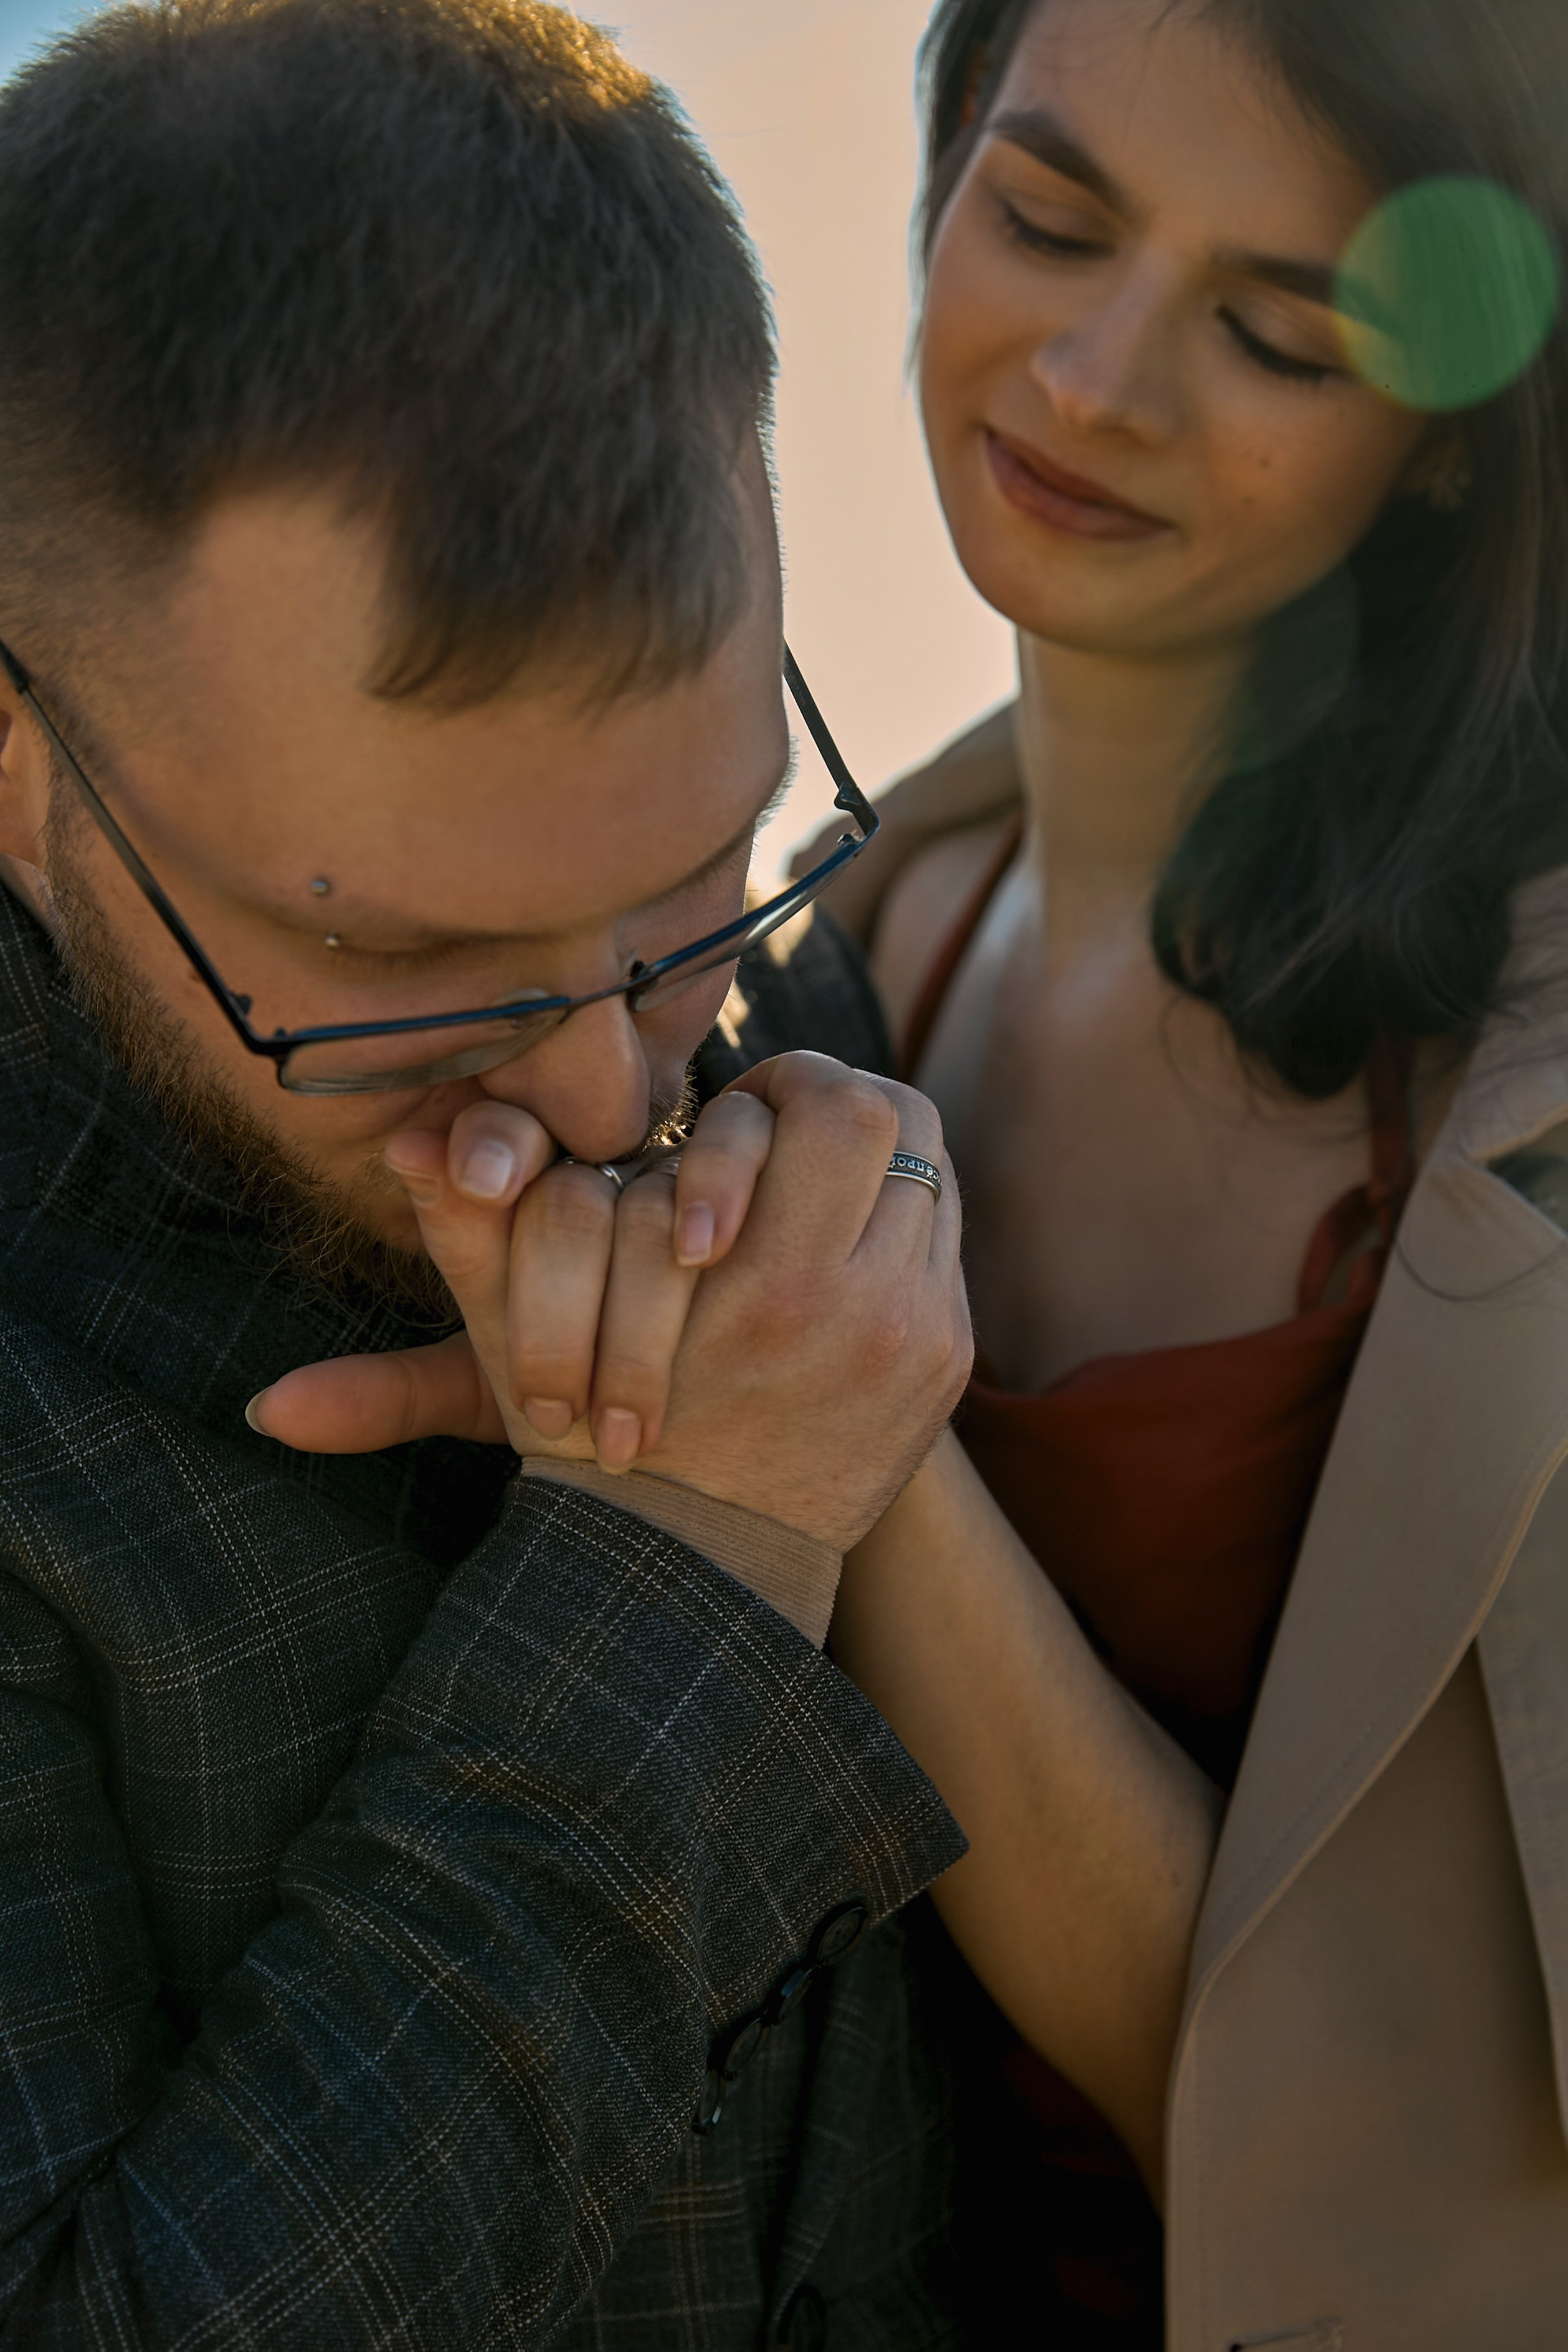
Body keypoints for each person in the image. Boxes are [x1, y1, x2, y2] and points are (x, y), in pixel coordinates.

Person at [0, 1, 987, 2338]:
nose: (613, 1090)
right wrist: (696, 1555)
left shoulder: (782, 1019)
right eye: (407, 958)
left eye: (700, 875)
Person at [798, 0, 1568, 2343]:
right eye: (1045, 217)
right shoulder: (832, 939)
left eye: (1274, 332)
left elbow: (1361, 2163)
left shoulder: (1515, 1112)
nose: (1101, 381)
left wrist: (832, 1435)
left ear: (1448, 448)